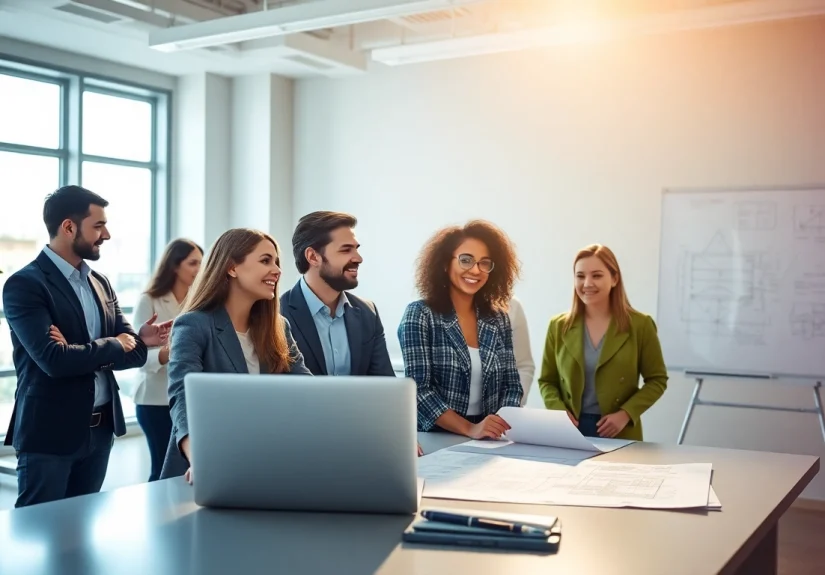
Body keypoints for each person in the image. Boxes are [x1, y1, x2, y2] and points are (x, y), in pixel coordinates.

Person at [2, 185, 169, 507]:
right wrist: (113, 344)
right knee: (37, 532)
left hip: (100, 430)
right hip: (49, 433)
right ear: (68, 227)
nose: (106, 234)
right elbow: (54, 361)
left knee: (80, 534)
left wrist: (115, 345)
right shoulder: (25, 284)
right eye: (98, 225)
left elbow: (133, 352)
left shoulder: (100, 281)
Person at [159, 228, 311, 483]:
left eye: (276, 262)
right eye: (265, 261)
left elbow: (307, 388)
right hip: (205, 469)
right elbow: (182, 396)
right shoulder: (193, 324)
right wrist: (199, 457)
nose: (277, 270)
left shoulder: (278, 326)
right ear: (231, 267)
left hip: (266, 463)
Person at [398, 220, 523, 439]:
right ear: (446, 264)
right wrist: (469, 428)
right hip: (435, 436)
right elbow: (419, 390)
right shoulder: (420, 315)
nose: (475, 270)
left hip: (488, 438)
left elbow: (512, 386)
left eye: (485, 263)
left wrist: (498, 426)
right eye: (466, 260)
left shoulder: (498, 318)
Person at [537, 244, 668, 440]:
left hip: (618, 430)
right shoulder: (558, 326)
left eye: (596, 275)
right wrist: (558, 412)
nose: (587, 283)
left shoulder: (640, 325)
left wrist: (626, 414)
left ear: (614, 279)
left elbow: (657, 380)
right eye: (580, 276)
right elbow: (547, 381)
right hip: (569, 430)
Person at [280, 211, 394, 377]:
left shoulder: (368, 313)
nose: (358, 258)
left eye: (356, 249)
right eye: (346, 250)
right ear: (313, 257)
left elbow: (385, 385)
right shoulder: (278, 314)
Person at [132, 238, 203, 482]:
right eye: (193, 263)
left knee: (188, 470)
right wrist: (172, 352)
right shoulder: (149, 300)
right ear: (174, 265)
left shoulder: (200, 302)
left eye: (202, 264)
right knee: (162, 470)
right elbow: (137, 356)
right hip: (155, 400)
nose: (199, 269)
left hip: (189, 400)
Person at [507, 295, 535, 405]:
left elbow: (523, 366)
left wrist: (509, 409)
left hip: (499, 415)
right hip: (450, 418)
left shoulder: (511, 307)